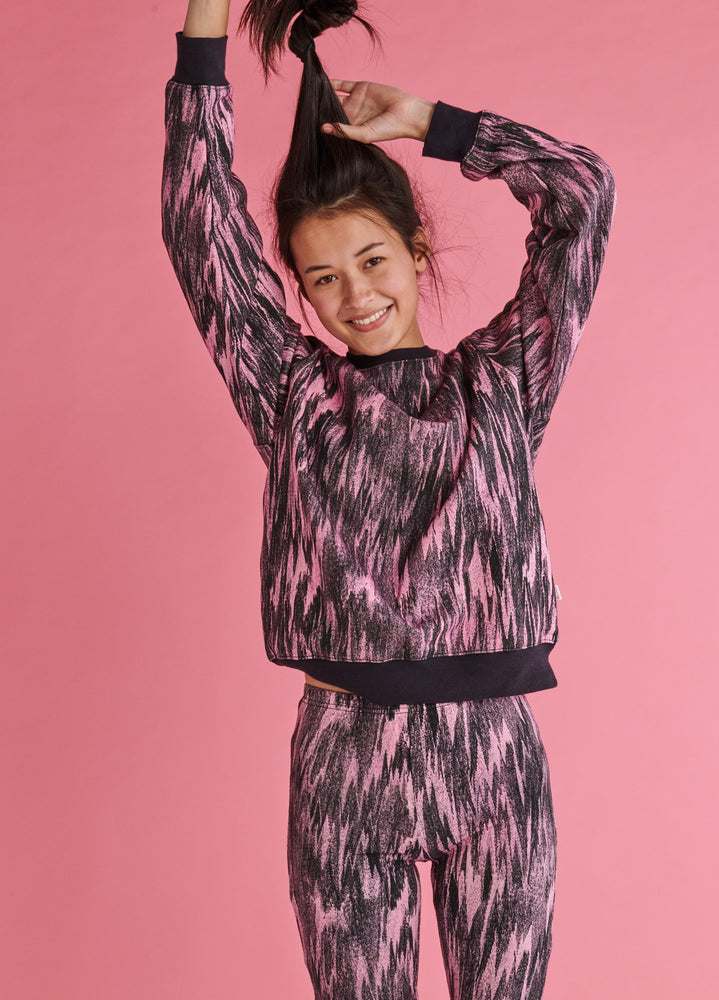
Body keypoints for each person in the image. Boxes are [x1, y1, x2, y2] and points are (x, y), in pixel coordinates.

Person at [161, 1, 616, 997]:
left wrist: (433, 125)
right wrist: (204, 23)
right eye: (322, 278)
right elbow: (202, 232)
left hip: (495, 761)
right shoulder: (291, 395)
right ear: (299, 290)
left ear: (415, 251)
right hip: (345, 760)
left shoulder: (502, 384)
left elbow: (582, 194)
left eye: (371, 261)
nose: (354, 295)